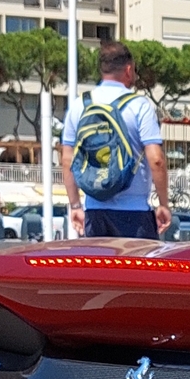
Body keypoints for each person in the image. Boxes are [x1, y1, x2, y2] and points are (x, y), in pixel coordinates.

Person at [60, 40, 170, 239]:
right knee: (136, 269)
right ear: (128, 69)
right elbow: (156, 160)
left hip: (95, 212)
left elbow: (67, 160)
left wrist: (75, 205)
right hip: (135, 214)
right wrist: (163, 204)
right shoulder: (139, 106)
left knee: (100, 270)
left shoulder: (80, 105)